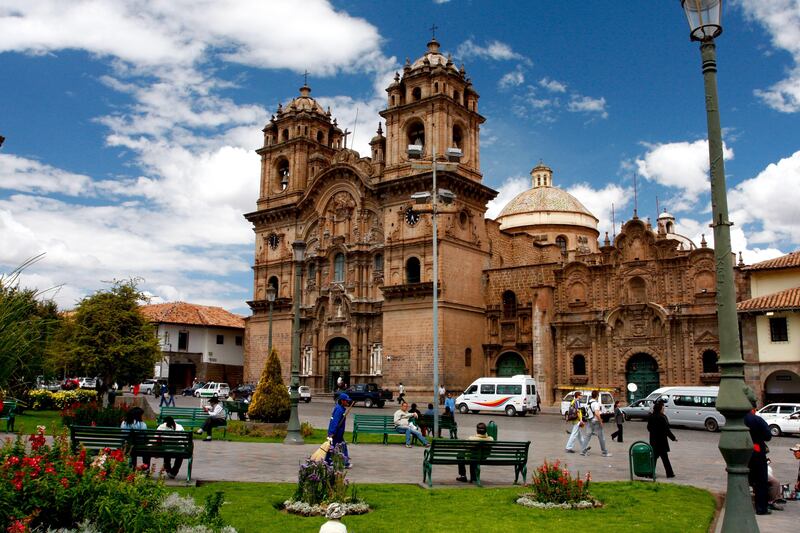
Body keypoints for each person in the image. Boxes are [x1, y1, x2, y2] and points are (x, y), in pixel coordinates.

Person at [744, 393, 772, 514]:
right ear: (753, 409)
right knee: (761, 482)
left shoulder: (738, 419)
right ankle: (761, 508)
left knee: (745, 480)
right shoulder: (757, 419)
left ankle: (743, 506)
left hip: (742, 454)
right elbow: (768, 436)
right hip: (757, 453)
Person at [647, 399, 676, 478]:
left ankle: (650, 473)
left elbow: (648, 428)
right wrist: (673, 438)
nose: (664, 409)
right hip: (662, 442)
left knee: (654, 458)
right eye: (663, 408)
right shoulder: (662, 417)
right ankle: (669, 474)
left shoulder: (651, 417)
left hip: (653, 441)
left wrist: (654, 432)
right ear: (660, 409)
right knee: (665, 459)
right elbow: (666, 430)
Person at [580, 390, 610, 457]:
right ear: (597, 396)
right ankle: (604, 452)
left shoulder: (588, 403)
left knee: (587, 437)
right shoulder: (596, 404)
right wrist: (601, 421)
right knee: (601, 437)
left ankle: (582, 451)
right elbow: (597, 413)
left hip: (589, 421)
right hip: (596, 422)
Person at [327, 393, 353, 468]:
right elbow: (335, 421)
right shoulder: (339, 410)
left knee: (334, 447)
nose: (348, 402)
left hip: (338, 433)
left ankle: (329, 462)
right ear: (342, 401)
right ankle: (342, 463)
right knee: (336, 447)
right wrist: (332, 432)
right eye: (346, 401)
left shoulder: (341, 408)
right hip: (336, 433)